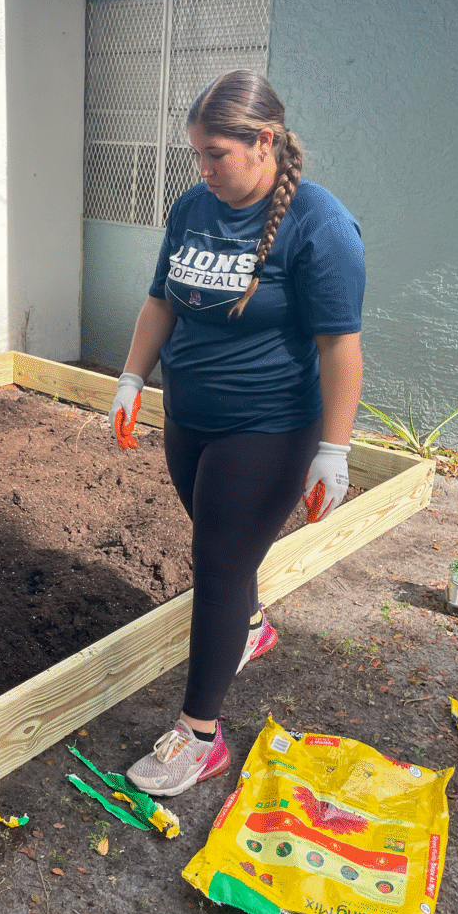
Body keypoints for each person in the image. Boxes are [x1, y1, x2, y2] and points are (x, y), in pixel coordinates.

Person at [107, 71, 364, 797]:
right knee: (219, 541)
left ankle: (199, 736)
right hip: (188, 415)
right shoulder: (194, 205)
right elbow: (160, 300)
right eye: (196, 154)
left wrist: (333, 451)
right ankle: (249, 624)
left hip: (269, 425)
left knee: (216, 564)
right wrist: (131, 379)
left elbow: (339, 347)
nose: (203, 170)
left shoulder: (321, 225)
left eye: (215, 153)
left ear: (265, 142)